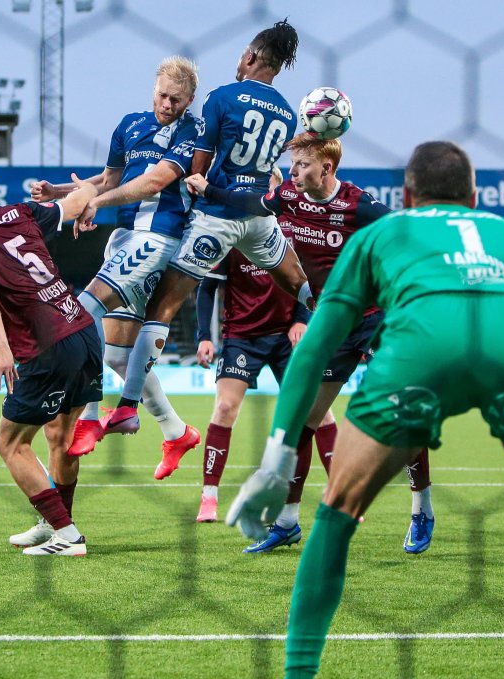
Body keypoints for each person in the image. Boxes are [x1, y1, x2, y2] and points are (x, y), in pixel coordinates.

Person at [228, 141, 504, 679]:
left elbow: (317, 343)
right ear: (475, 199)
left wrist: (274, 463)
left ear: (405, 196)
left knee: (339, 513)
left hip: (421, 347)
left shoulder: (381, 231)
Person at [188, 133, 436, 554]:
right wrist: (209, 189)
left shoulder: (359, 204)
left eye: (303, 165)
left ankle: (421, 509)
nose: (295, 172)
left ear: (328, 167)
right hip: (334, 320)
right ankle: (286, 522)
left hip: (377, 318)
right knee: (305, 420)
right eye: (295, 164)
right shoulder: (287, 195)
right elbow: (250, 207)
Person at [100, 19, 315, 439]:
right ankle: (333, 317)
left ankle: (126, 407)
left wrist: (199, 184)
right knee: (297, 279)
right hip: (259, 216)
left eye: (241, 56)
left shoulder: (222, 96)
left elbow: (201, 159)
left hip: (217, 216)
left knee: (162, 306)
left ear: (250, 57)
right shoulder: (288, 114)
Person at [30, 56, 202, 479]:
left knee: (81, 312)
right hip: (124, 239)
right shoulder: (129, 124)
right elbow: (110, 179)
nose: (167, 104)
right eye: (162, 94)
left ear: (189, 100)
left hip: (159, 236)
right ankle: (175, 430)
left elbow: (156, 181)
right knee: (117, 354)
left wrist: (95, 203)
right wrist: (64, 191)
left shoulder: (193, 130)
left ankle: (89, 415)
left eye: (176, 99)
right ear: (153, 88)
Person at [0, 163, 101, 557]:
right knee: (59, 437)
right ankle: (57, 524)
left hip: (47, 345)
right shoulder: (24, 213)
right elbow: (80, 201)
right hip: (82, 329)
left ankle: (67, 533)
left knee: (9, 442)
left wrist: (0, 344)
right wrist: (89, 191)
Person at [193, 249, 336, 548]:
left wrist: (301, 319)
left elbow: (306, 283)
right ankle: (209, 496)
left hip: (287, 337)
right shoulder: (231, 237)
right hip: (242, 338)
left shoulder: (288, 234)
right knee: (224, 407)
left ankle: (340, 495)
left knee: (320, 412)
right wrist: (203, 336)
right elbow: (207, 288)